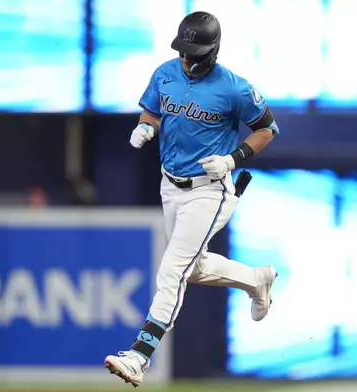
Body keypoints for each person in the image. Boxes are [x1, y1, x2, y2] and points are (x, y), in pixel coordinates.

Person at [104, 10, 280, 388]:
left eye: (193, 53)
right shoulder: (166, 71)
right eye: (183, 51)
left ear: (212, 51)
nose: (186, 59)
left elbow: (268, 128)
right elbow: (152, 110)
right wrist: (145, 128)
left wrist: (234, 158)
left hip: (209, 188)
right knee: (192, 269)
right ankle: (255, 279)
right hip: (170, 184)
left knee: (172, 270)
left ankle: (140, 355)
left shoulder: (233, 87)